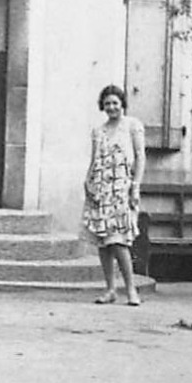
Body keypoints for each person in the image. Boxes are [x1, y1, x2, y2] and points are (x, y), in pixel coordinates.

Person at [82, 84, 146, 306]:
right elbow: (94, 161)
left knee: (119, 242)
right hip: (100, 190)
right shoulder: (99, 131)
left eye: (115, 103)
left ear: (122, 104)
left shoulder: (132, 126)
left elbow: (140, 157)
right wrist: (88, 183)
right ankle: (110, 289)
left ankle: (131, 290)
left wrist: (135, 186)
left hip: (122, 189)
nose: (111, 107)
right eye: (107, 103)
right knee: (103, 243)